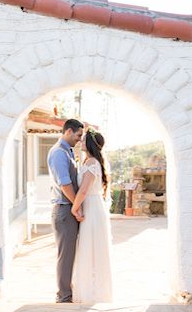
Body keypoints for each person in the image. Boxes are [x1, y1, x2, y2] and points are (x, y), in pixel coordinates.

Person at [71, 127, 114, 303]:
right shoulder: (91, 161)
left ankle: (93, 293)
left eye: (83, 139)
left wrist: (74, 208)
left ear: (89, 143)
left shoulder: (91, 163)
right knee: (90, 247)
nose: (80, 141)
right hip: (93, 205)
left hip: (92, 208)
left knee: (91, 248)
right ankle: (91, 290)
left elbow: (83, 190)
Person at [47, 118, 84, 303]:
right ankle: (63, 297)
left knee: (71, 254)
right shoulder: (59, 153)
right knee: (66, 256)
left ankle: (67, 292)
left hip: (69, 207)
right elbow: (65, 184)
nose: (79, 139)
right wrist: (76, 207)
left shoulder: (68, 151)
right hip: (64, 209)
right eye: (78, 135)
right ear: (68, 131)